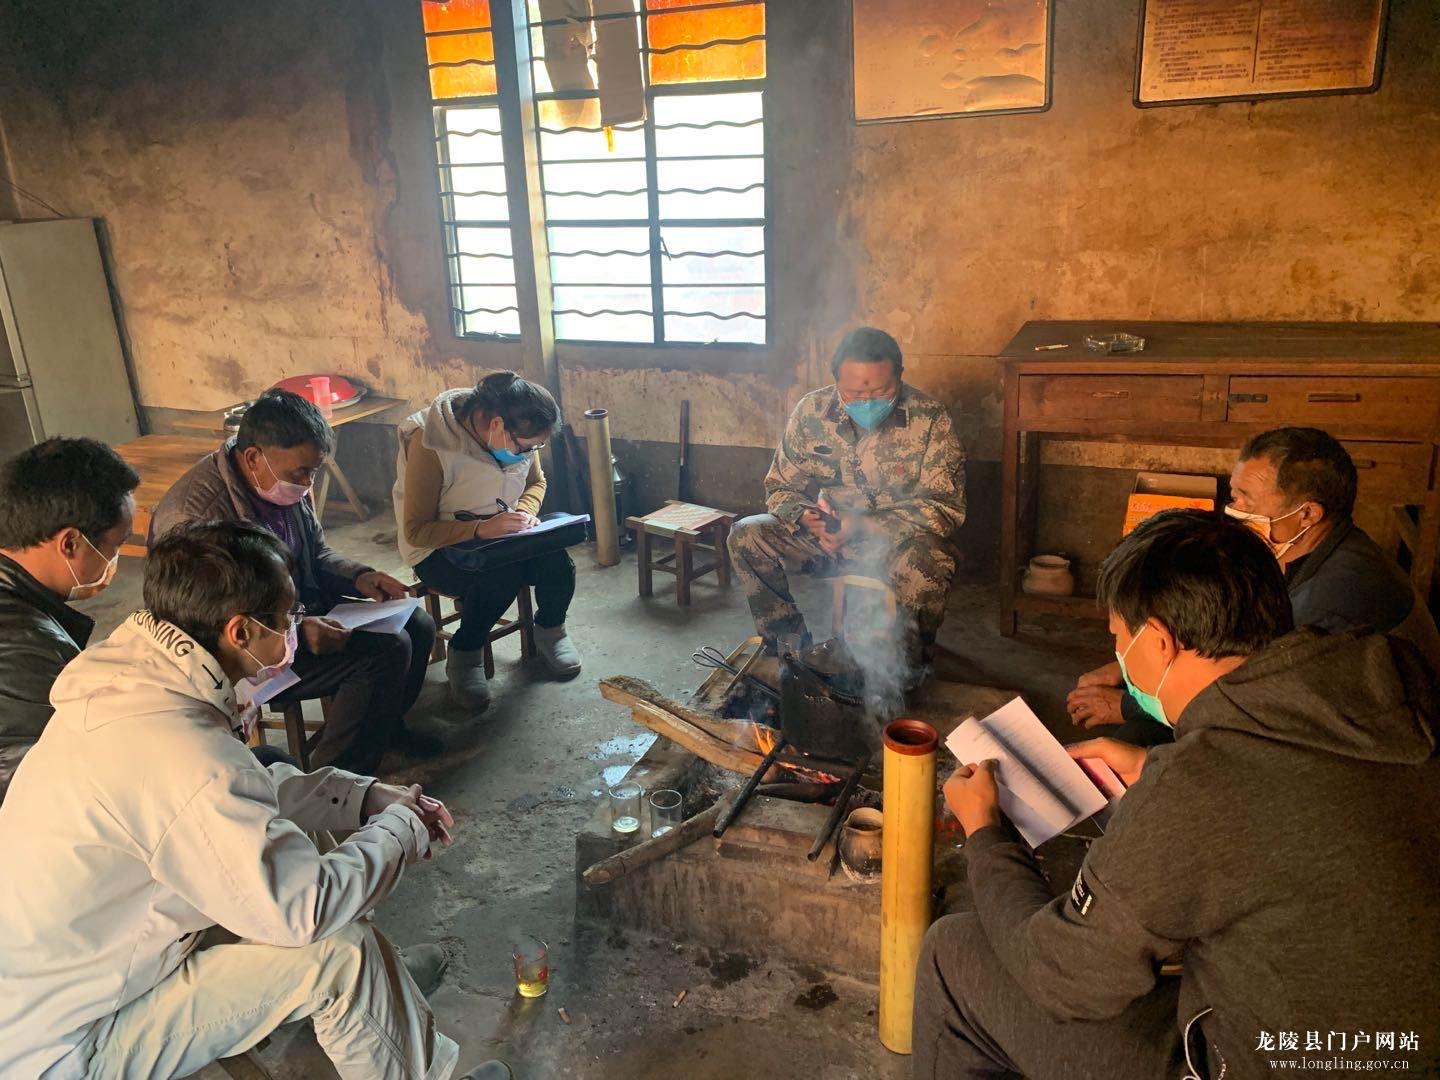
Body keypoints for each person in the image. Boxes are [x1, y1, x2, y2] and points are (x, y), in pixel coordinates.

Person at [917, 511, 1440, 1079]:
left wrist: (986, 832)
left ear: (1159, 642)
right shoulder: (1390, 680)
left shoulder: (1197, 785)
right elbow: (1290, 801)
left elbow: (1060, 976)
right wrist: (1151, 765)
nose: (1117, 653)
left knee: (952, 954)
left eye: (1118, 638)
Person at [0, 520, 525, 1079]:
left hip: (81, 961)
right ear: (240, 631)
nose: (293, 629)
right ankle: (378, 998)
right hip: (70, 1038)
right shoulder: (182, 752)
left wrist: (365, 795)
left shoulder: (137, 678)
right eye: (286, 618)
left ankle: (385, 993)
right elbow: (300, 908)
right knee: (340, 956)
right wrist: (400, 831)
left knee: (309, 847)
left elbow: (237, 793)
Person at [1068, 426, 1440, 743]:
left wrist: (1127, 704)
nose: (1234, 510)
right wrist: (1127, 666)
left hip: (1336, 734)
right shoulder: (1314, 549)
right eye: (1235, 495)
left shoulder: (1329, 607)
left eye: (1246, 501)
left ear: (1307, 514)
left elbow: (1241, 692)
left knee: (1141, 735)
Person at [151, 389, 439, 771]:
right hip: (244, 648)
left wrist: (360, 577)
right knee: (384, 654)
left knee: (416, 623)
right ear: (253, 457)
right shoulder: (195, 518)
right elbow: (204, 622)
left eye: (313, 471)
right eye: (300, 473)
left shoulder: (281, 480)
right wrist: (296, 633)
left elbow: (315, 554)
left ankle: (384, 730)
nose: (307, 482)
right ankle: (335, 781)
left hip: (291, 611)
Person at [728, 327, 966, 665]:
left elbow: (945, 508)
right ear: (836, 380)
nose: (867, 402)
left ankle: (906, 667)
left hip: (896, 548)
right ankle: (789, 651)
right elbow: (781, 487)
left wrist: (865, 526)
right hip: (826, 542)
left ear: (899, 376)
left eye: (881, 391)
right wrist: (807, 518)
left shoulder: (930, 419)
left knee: (932, 562)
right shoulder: (811, 412)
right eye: (853, 393)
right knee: (746, 535)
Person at [395, 371, 581, 713]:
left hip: (503, 537)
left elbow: (536, 482)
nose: (529, 453)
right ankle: (466, 653)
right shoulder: (431, 442)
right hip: (439, 550)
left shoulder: (518, 434)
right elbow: (417, 531)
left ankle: (550, 629)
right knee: (500, 578)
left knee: (557, 563)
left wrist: (524, 512)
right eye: (525, 447)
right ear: (496, 425)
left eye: (536, 448)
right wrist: (481, 529)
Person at [0, 437, 137, 799]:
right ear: (70, 543)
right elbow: (68, 780)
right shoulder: (29, 649)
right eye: (115, 546)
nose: (115, 561)